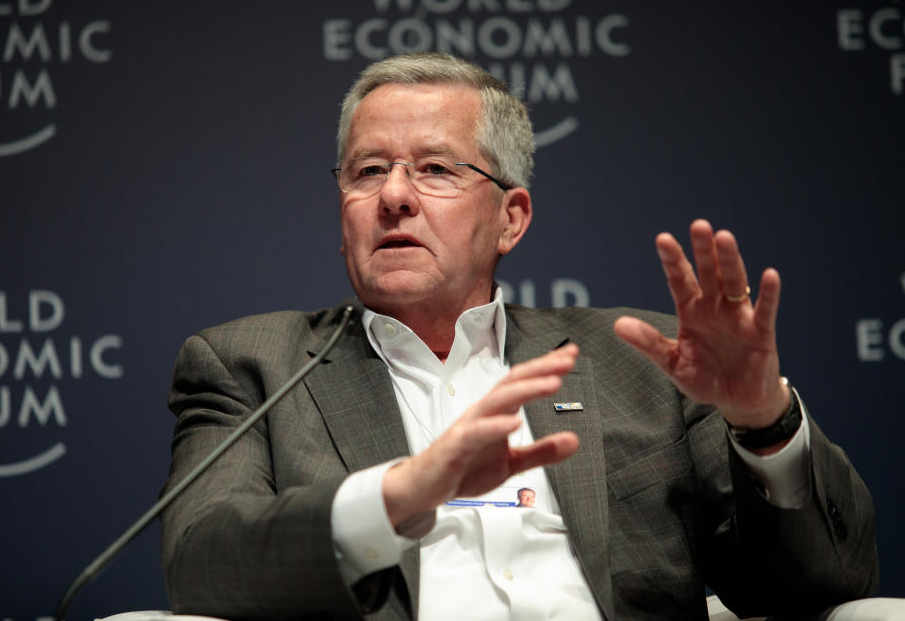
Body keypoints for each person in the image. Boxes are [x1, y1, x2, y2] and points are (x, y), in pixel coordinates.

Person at [160, 53, 877, 620]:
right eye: (367, 170)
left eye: (436, 169)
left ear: (511, 218)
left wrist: (762, 424)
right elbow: (201, 565)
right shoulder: (250, 364)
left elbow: (822, 581)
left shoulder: (642, 364)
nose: (394, 195)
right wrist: (399, 493)